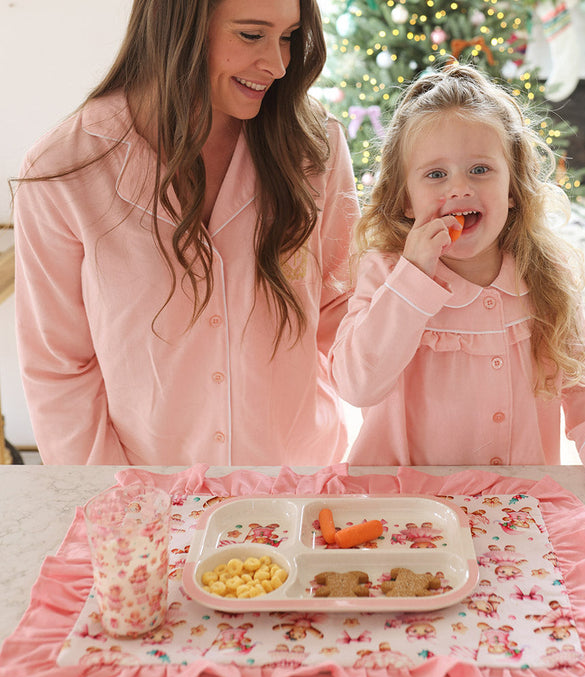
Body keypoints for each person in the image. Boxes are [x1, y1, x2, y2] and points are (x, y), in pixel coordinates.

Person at [13, 0, 359, 466]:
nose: (278, 66)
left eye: (289, 37)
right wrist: (115, 505)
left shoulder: (316, 146)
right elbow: (60, 370)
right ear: (176, 24)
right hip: (146, 500)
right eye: (252, 35)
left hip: (301, 484)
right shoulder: (65, 170)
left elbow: (345, 313)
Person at [328, 64, 585, 517]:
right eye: (435, 175)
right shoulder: (386, 272)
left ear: (512, 187)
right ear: (406, 199)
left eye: (480, 169)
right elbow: (357, 385)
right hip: (400, 506)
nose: (459, 187)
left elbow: (583, 379)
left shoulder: (543, 275)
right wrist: (412, 277)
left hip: (515, 506)